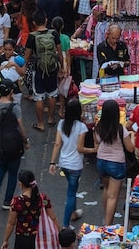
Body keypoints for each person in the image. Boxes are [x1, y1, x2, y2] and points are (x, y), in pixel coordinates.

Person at [85, 99, 128, 225]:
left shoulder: (98, 128)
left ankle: (106, 216)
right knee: (113, 196)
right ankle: (108, 226)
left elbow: (97, 144)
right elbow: (130, 148)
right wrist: (132, 137)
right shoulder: (120, 129)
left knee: (106, 189)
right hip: (117, 164)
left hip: (101, 162)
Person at [49, 97, 89, 226]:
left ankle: (74, 212)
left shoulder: (61, 124)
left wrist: (52, 162)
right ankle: (65, 225)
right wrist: (95, 149)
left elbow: (57, 144)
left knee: (73, 188)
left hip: (64, 163)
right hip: (75, 165)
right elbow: (80, 148)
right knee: (71, 193)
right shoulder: (82, 127)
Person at [0, 82, 27, 207]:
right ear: (11, 91)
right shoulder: (15, 107)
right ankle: (7, 201)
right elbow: (20, 126)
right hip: (15, 145)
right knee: (12, 173)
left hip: (0, 144)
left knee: (1, 168)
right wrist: (25, 140)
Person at [2, 169, 58, 249]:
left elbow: (11, 223)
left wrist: (5, 240)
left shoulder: (17, 202)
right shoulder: (43, 199)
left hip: (22, 239)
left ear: (20, 184)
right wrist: (59, 233)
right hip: (40, 236)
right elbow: (53, 218)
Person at [26, 13, 63, 131]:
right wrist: (61, 67)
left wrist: (24, 68)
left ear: (34, 23)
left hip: (39, 68)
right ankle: (51, 118)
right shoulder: (54, 33)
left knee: (39, 96)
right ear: (46, 20)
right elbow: (60, 53)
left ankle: (41, 123)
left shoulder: (32, 36)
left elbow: (27, 56)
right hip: (52, 67)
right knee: (52, 93)